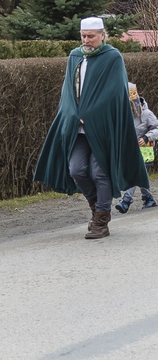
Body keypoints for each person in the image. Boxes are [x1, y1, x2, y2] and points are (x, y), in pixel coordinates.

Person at [34, 17, 149, 239]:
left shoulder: (112, 57)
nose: (86, 40)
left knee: (99, 172)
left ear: (102, 35)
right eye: (83, 36)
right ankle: (98, 209)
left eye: (91, 36)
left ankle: (101, 221)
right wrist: (72, 114)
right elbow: (68, 92)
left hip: (103, 126)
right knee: (76, 169)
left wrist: (92, 114)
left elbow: (115, 93)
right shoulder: (75, 56)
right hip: (77, 127)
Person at [115, 83, 158, 213]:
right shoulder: (121, 114)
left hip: (143, 150)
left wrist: (147, 137)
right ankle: (148, 198)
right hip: (127, 150)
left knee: (134, 173)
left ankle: (126, 200)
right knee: (140, 175)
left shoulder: (146, 114)